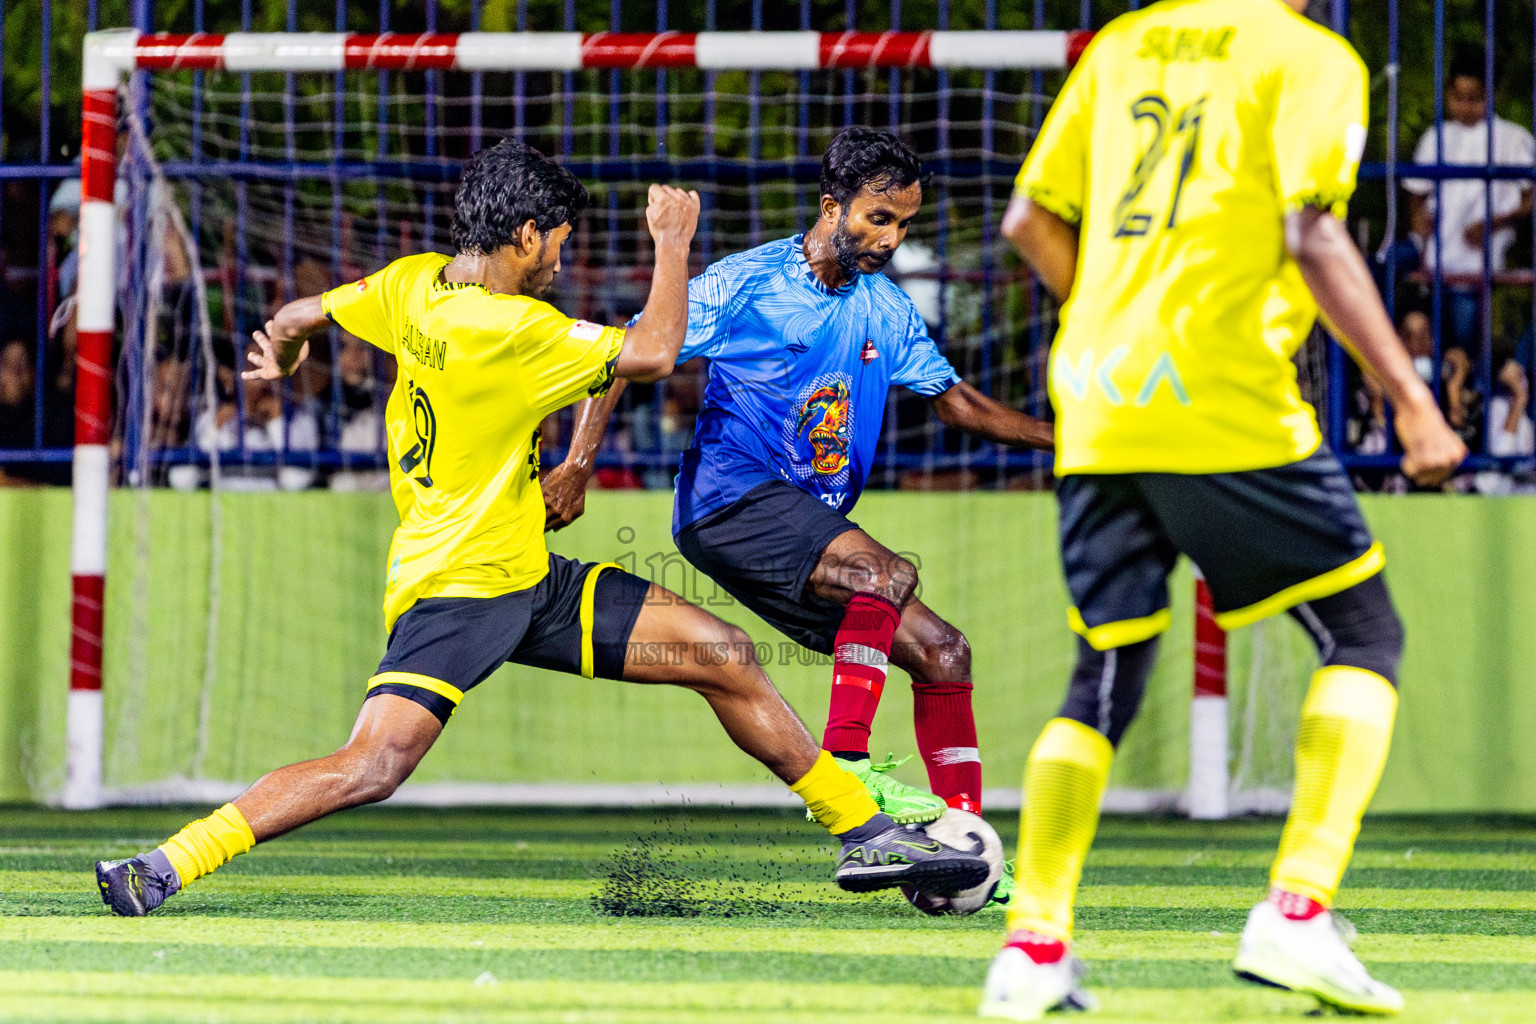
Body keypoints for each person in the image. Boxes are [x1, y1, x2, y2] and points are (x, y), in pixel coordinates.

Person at [94, 138, 987, 918]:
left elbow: (303, 312)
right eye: (559, 241)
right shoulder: (511, 330)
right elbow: (649, 353)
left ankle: (863, 832)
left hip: (531, 574)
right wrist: (672, 244)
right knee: (373, 766)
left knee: (722, 655)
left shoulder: (415, 285)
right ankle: (172, 860)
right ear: (525, 236)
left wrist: (285, 342)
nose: (563, 258)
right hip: (463, 590)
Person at [982, 1, 1466, 1018]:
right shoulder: (1310, 57)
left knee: (1104, 669)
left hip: (1100, 397)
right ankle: (1295, 915)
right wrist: (1414, 401)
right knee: (1362, 631)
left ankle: (1032, 948)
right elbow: (1314, 229)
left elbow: (1028, 220)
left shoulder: (1122, 44)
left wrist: (1119, 332)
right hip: (1220, 394)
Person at [543, 128, 1054, 850]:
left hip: (802, 521)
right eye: (879, 218)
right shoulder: (748, 283)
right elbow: (627, 355)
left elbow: (959, 403)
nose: (890, 238)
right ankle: (846, 768)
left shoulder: (887, 307)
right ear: (830, 207)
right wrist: (576, 465)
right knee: (883, 573)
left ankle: (963, 843)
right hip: (730, 500)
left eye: (904, 224)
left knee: (944, 651)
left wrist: (1071, 442)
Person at [1403, 44, 1536, 358]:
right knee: (1432, 349)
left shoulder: (1512, 138)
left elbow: (1532, 198)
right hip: (1436, 263)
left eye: (1474, 98)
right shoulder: (1436, 137)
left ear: (1493, 95)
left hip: (1482, 266)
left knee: (1469, 346)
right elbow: (1416, 195)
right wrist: (1420, 229)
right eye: (1457, 98)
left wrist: (1494, 223)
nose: (1464, 107)